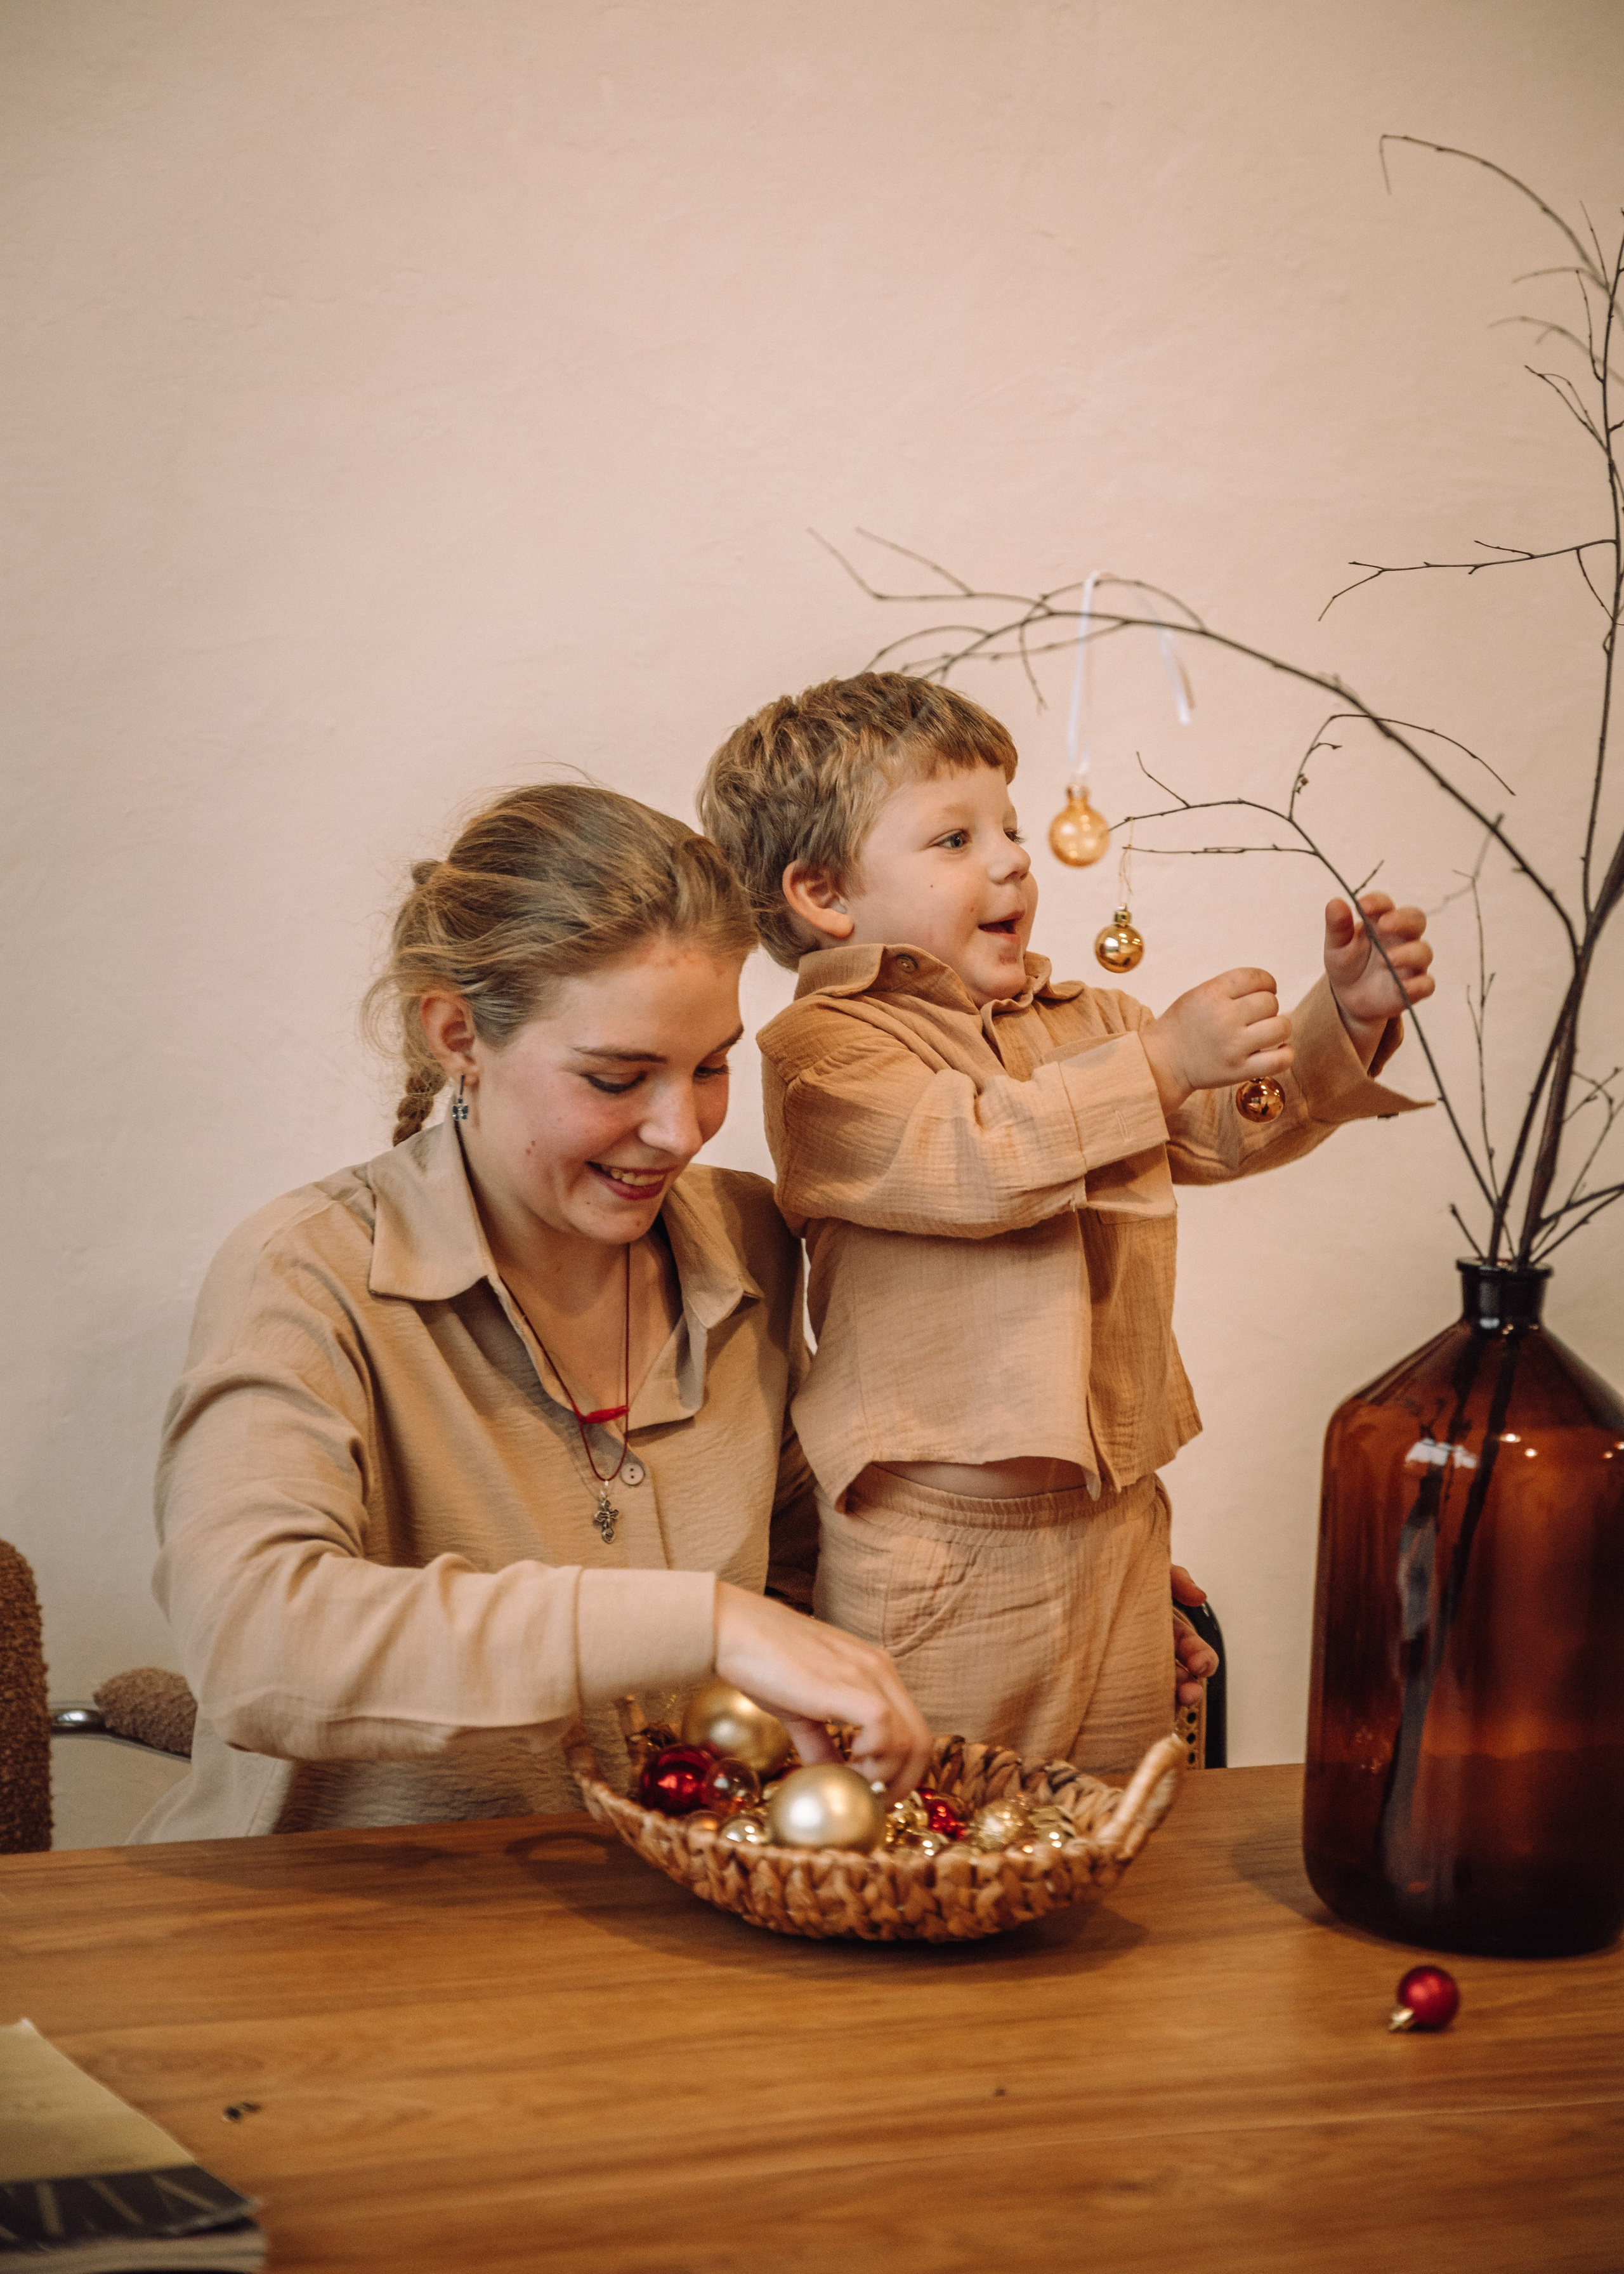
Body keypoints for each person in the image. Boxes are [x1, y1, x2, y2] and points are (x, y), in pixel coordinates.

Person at [132, 783, 929, 1843]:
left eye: (711, 1067)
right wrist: (704, 1622)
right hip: (332, 1948)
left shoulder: (747, 1245)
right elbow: (254, 1644)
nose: (680, 1129)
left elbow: (816, 1553)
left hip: (657, 1927)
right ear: (458, 1033)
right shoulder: (306, 1271)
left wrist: (1046, 1553)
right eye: (616, 1077)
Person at [698, 673, 1434, 1773]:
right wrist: (1155, 1064)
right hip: (931, 1554)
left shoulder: (1093, 1021)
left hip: (1119, 1529)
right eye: (954, 838)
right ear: (822, 894)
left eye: (1011, 825)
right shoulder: (827, 1054)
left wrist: (1344, 1020)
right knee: (925, 1830)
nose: (1010, 859)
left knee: (1108, 1828)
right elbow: (977, 1153)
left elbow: (1233, 1130)